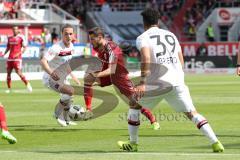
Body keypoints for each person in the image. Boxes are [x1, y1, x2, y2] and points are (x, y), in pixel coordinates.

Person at [117, 8, 224, 152]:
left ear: (144, 23)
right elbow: (181, 60)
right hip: (177, 81)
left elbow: (146, 58)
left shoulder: (143, 37)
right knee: (192, 113)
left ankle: (133, 144)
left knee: (133, 104)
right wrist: (178, 77)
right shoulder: (171, 35)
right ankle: (216, 142)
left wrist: (142, 83)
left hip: (157, 82)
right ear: (158, 21)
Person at [84, 27, 160, 130]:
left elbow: (112, 70)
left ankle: (153, 120)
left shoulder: (112, 48)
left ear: (100, 37)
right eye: (90, 39)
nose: (90, 41)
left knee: (134, 101)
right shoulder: (97, 46)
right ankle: (88, 110)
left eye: (92, 39)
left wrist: (96, 75)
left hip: (119, 77)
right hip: (108, 74)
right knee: (88, 79)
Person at [40, 24, 79, 127]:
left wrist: (73, 76)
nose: (68, 36)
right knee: (70, 91)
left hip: (62, 77)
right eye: (66, 34)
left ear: (73, 35)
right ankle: (57, 115)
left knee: (70, 97)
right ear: (62, 34)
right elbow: (43, 61)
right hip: (50, 78)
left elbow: (66, 64)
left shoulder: (72, 47)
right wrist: (52, 73)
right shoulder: (56, 48)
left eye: (70, 34)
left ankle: (66, 119)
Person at [3, 26, 32, 93]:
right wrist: (4, 54)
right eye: (13, 29)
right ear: (12, 30)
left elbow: (24, 47)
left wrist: (19, 54)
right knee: (8, 73)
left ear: (18, 30)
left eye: (16, 29)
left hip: (17, 59)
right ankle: (9, 89)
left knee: (18, 72)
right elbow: (8, 47)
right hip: (10, 58)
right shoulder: (9, 38)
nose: (14, 30)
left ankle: (28, 84)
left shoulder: (20, 38)